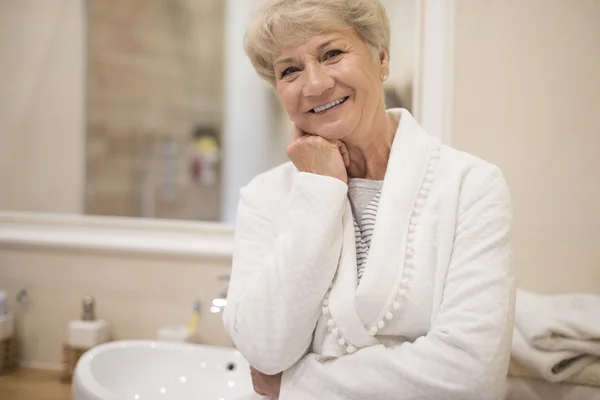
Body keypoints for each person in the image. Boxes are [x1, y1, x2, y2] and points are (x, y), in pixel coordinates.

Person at [223, 0, 515, 399]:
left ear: (381, 58)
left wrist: (294, 384)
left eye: (332, 54)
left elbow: (470, 377)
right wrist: (319, 192)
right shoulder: (263, 198)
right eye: (290, 70)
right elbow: (263, 350)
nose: (315, 84)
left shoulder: (470, 186)